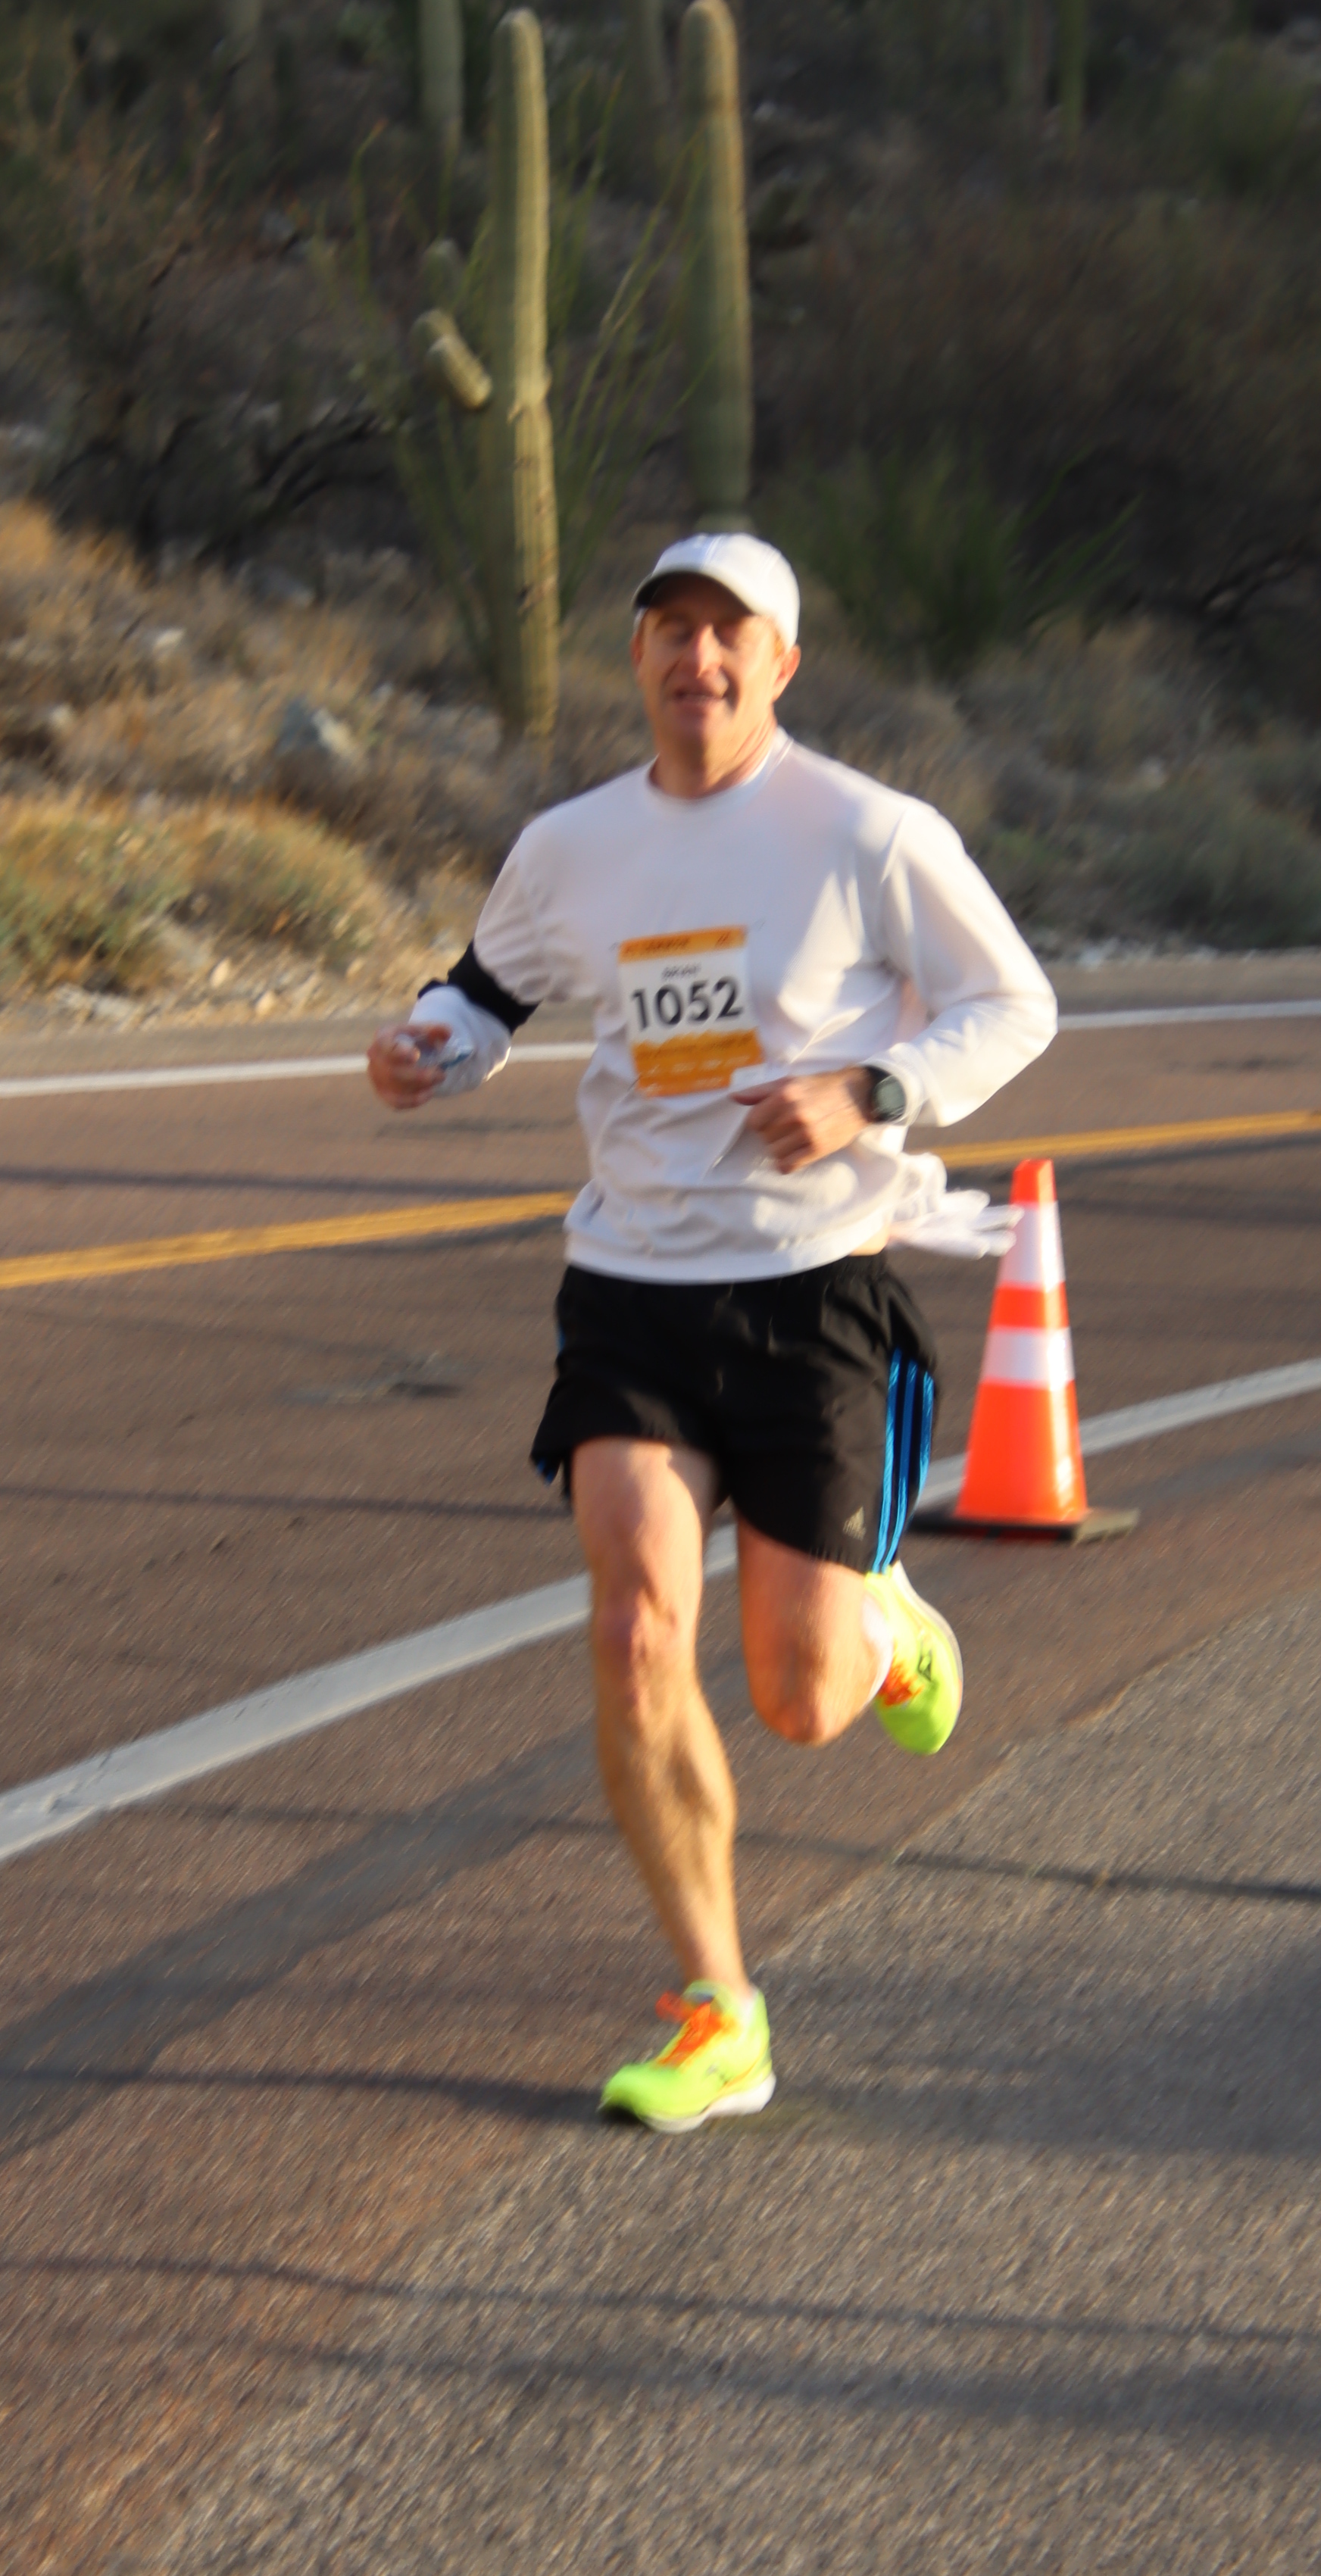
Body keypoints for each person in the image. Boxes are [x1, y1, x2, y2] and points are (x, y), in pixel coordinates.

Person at [366, 531, 1058, 2130]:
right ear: (639, 658)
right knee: (634, 1632)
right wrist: (428, 1047)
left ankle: (884, 1618)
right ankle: (715, 2007)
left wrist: (870, 1091)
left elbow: (1012, 1005)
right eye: (672, 630)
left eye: (731, 635)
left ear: (781, 664)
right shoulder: (573, 846)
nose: (700, 659)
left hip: (814, 1286)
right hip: (629, 1289)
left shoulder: (871, 834)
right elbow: (487, 990)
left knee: (803, 1698)